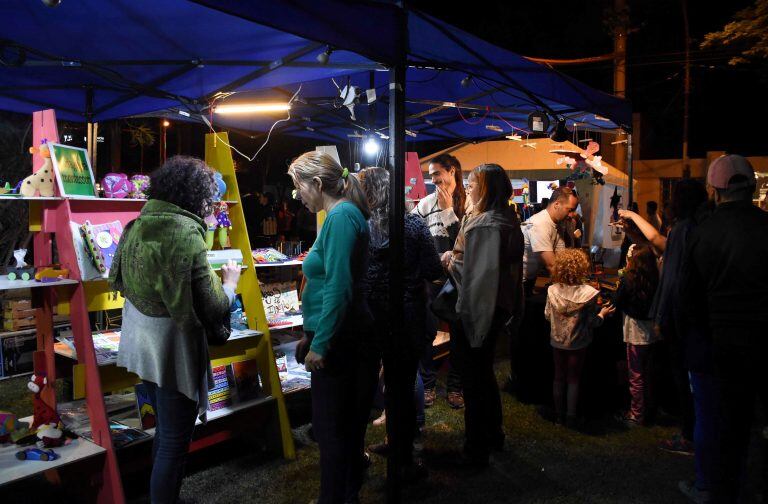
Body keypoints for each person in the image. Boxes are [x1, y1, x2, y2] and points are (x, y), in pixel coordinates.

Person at [109, 156, 242, 504]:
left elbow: (124, 281)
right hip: (171, 350)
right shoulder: (186, 234)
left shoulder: (139, 224)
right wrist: (229, 283)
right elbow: (213, 306)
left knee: (163, 432)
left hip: (142, 343)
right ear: (194, 196)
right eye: (210, 200)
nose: (211, 207)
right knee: (173, 439)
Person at [288, 151, 374, 504]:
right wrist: (311, 335)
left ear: (317, 184)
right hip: (345, 336)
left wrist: (320, 344)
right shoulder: (341, 215)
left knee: (332, 431)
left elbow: (339, 285)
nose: (298, 196)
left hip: (342, 342)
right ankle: (346, 493)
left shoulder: (340, 217)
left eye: (298, 188)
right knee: (344, 430)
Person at [681, 155, 768, 503]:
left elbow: (690, 299)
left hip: (720, 344)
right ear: (753, 188)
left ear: (714, 191)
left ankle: (724, 489)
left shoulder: (704, 233)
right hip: (763, 342)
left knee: (727, 421)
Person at [359, 167, 442, 480]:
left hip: (370, 316)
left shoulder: (362, 225)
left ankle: (393, 446)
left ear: (371, 193)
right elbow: (434, 269)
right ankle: (402, 451)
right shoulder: (414, 225)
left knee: (380, 384)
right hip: (407, 317)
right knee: (402, 384)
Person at [619, 179, 709, 462]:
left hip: (679, 317)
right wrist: (634, 230)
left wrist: (633, 215)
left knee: (679, 377)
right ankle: (688, 427)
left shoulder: (684, 229)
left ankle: (689, 435)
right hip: (686, 316)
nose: (667, 205)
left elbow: (659, 243)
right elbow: (658, 246)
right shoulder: (695, 228)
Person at [443, 164, 524, 466]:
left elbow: (478, 277)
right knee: (483, 374)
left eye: (473, 183)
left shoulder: (486, 225)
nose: (469, 188)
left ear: (486, 188)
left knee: (473, 378)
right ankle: (493, 434)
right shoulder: (506, 220)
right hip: (495, 307)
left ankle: (476, 447)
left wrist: (451, 262)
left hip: (479, 310)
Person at [508, 187, 579, 395]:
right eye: (570, 209)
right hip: (517, 281)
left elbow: (563, 258)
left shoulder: (555, 224)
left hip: (527, 280)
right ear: (556, 204)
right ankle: (518, 375)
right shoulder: (540, 223)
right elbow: (551, 264)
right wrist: (574, 290)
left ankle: (525, 370)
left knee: (525, 325)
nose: (572, 213)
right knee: (518, 327)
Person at [412, 153, 466, 409]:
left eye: (437, 174)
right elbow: (413, 234)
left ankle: (455, 387)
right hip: (431, 281)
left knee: (460, 334)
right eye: (430, 175)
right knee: (426, 333)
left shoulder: (468, 203)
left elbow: (465, 243)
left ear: (452, 171)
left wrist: (448, 212)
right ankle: (428, 384)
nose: (433, 180)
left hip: (459, 281)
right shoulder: (425, 204)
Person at [545, 249, 615, 428]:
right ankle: (571, 415)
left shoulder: (552, 291)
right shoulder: (590, 293)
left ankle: (559, 416)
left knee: (558, 377)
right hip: (578, 342)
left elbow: (547, 315)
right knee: (574, 378)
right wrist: (603, 314)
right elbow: (593, 322)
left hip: (557, 340)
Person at [613, 244, 661, 427]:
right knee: (649, 372)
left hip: (636, 332)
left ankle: (636, 414)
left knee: (636, 374)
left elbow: (617, 300)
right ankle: (650, 409)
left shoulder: (629, 279)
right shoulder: (656, 277)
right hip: (652, 330)